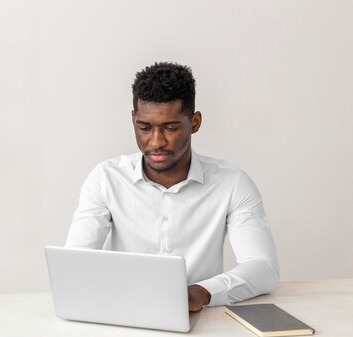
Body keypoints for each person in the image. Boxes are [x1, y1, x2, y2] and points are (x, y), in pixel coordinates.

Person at [65, 62, 279, 312]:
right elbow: (75, 263)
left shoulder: (232, 183)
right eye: (144, 128)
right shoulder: (105, 178)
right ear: (133, 120)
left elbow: (263, 267)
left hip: (200, 320)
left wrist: (201, 292)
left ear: (195, 122)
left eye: (171, 128)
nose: (156, 142)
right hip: (124, 315)